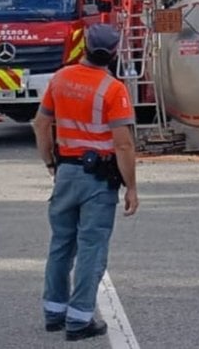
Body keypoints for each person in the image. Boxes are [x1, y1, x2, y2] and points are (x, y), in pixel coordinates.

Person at [32, 23, 139, 341]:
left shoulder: (60, 78)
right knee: (92, 246)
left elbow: (41, 124)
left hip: (65, 172)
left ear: (84, 47)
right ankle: (79, 319)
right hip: (98, 180)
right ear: (115, 52)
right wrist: (131, 187)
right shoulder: (113, 89)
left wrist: (51, 161)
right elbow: (123, 144)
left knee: (61, 243)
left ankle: (54, 312)